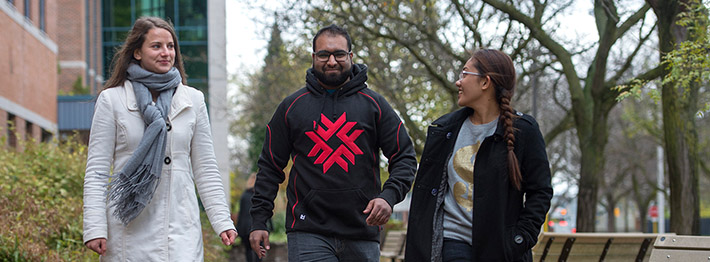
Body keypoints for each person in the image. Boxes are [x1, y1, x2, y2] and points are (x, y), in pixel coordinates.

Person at [248, 24, 417, 261]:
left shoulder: (375, 105)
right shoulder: (291, 108)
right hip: (308, 230)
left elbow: (405, 157)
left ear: (350, 56)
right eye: (323, 54)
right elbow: (269, 167)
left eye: (338, 54)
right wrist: (259, 220)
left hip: (362, 229)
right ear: (313, 57)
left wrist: (388, 196)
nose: (331, 61)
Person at [82, 16, 237, 261]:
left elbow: (205, 168)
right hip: (129, 229)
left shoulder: (193, 100)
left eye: (171, 46)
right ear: (137, 53)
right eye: (156, 46)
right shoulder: (112, 100)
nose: (166, 53)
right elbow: (97, 171)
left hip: (180, 232)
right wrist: (94, 228)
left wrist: (222, 221)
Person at [405, 49, 553, 261]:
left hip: (500, 250)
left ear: (485, 82)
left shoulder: (524, 131)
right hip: (451, 243)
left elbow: (540, 191)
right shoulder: (443, 130)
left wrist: (519, 239)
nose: (458, 82)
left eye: (465, 74)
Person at [236, 173, 270, 262]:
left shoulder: (244, 196)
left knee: (248, 251)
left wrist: (238, 229)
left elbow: (241, 213)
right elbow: (265, 211)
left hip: (245, 228)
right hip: (257, 226)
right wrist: (270, 226)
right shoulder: (260, 196)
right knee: (259, 250)